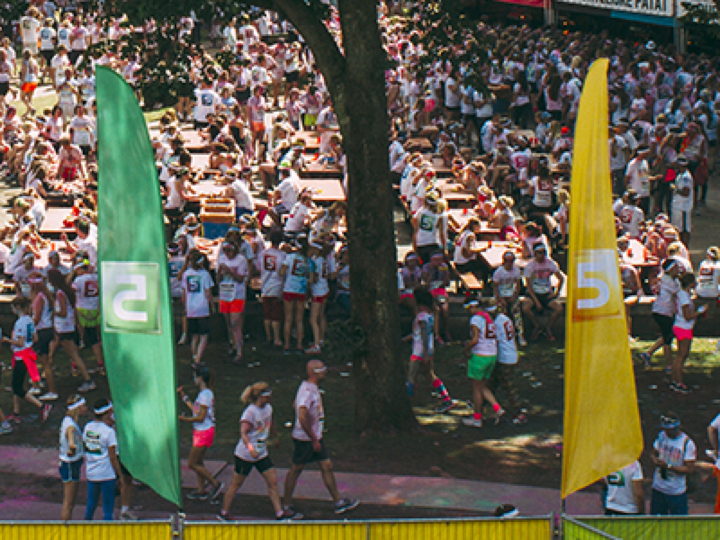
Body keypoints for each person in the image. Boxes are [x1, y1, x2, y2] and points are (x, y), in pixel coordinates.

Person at [283, 360, 359, 517]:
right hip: (306, 439)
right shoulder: (307, 391)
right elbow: (301, 415)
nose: (325, 371)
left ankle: (338, 502)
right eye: (321, 369)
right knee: (296, 470)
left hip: (315, 437)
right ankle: (285, 505)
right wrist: (313, 439)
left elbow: (295, 405)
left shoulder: (311, 388)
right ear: (313, 372)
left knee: (327, 466)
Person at [219, 382, 298, 521]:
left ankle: (279, 513)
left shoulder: (268, 408)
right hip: (245, 455)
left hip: (262, 454)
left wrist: (276, 436)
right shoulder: (250, 413)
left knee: (272, 481)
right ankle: (224, 512)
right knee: (236, 483)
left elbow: (271, 422)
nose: (270, 399)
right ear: (261, 397)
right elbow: (243, 433)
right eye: (268, 396)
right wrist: (251, 449)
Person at [404, 287, 456, 414]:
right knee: (429, 375)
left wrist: (425, 353)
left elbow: (424, 334)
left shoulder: (421, 317)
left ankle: (406, 403)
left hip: (419, 352)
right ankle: (446, 398)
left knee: (411, 376)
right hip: (428, 351)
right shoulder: (430, 316)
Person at [178, 366, 224, 502]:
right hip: (201, 431)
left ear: (200, 378)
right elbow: (196, 410)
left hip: (203, 432)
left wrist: (183, 419)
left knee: (192, 463)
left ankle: (215, 484)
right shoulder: (205, 394)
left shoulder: (205, 395)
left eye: (195, 376)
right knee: (198, 461)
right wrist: (184, 397)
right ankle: (201, 489)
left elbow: (200, 417)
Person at [4, 296, 52, 424]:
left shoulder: (20, 323)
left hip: (21, 356)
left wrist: (6, 340)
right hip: (28, 354)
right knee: (17, 384)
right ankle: (16, 412)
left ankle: (41, 406)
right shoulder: (29, 320)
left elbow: (19, 342)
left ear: (18, 308)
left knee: (17, 387)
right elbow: (35, 338)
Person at [48, 269, 96, 393]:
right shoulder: (67, 290)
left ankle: (88, 380)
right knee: (55, 349)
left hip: (64, 328)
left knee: (74, 355)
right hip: (68, 326)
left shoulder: (59, 293)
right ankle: (45, 373)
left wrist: (53, 312)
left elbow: (63, 312)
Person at [462, 298, 504, 428]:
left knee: (476, 388)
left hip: (480, 355)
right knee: (483, 386)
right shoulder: (489, 317)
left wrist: (466, 349)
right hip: (492, 354)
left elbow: (475, 339)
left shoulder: (476, 319)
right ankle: (497, 408)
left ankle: (477, 418)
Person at [83, 398, 122, 521]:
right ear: (107, 413)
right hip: (107, 474)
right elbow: (113, 457)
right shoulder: (109, 432)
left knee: (91, 504)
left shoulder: (88, 427)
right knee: (108, 507)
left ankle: (84, 529)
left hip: (91, 473)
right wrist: (119, 475)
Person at [650, 412, 696, 516]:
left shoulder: (687, 443)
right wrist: (655, 460)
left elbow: (689, 469)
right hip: (658, 488)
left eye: (670, 430)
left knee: (679, 523)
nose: (667, 432)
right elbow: (653, 453)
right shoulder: (661, 436)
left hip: (676, 491)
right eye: (666, 429)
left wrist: (669, 467)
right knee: (656, 520)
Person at [640, 259, 682, 369]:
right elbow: (677, 291)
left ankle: (648, 353)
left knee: (667, 334)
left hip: (665, 310)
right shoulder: (667, 280)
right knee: (667, 338)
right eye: (676, 268)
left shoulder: (669, 279)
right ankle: (669, 365)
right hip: (662, 310)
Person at [521, 243, 565, 341]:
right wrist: (536, 301)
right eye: (539, 253)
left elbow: (561, 278)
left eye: (543, 253)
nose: (542, 255)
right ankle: (537, 326)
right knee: (525, 308)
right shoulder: (530, 266)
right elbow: (528, 286)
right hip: (534, 293)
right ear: (535, 253)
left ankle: (548, 328)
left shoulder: (550, 263)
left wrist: (556, 293)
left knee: (559, 309)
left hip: (546, 293)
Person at [670, 273, 705, 394]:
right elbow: (687, 316)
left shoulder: (681, 294)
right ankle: (678, 382)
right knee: (681, 356)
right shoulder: (684, 297)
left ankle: (675, 380)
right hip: (683, 327)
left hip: (679, 325)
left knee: (680, 355)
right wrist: (700, 311)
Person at [217, 241, 248, 364]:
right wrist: (220, 272)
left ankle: (239, 352)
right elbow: (218, 279)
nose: (227, 253)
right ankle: (233, 345)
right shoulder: (221, 259)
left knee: (235, 324)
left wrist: (229, 271)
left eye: (229, 250)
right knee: (228, 323)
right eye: (225, 250)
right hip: (225, 294)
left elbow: (241, 278)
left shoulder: (241, 260)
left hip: (237, 294)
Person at [182, 250, 214, 365]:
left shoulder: (186, 274)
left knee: (194, 336)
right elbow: (208, 292)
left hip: (191, 308)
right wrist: (212, 306)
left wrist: (185, 306)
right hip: (202, 308)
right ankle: (198, 359)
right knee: (204, 336)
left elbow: (184, 292)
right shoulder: (205, 274)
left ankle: (194, 355)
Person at [279, 235, 310, 354]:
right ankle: (299, 346)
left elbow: (282, 272)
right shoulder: (307, 260)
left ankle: (286, 345)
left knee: (288, 319)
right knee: (299, 320)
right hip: (301, 290)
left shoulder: (289, 257)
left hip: (289, 289)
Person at [60, 395, 87, 520]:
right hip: (71, 464)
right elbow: (71, 441)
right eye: (84, 406)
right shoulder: (70, 426)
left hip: (71, 464)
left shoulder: (68, 421)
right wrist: (72, 448)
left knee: (70, 502)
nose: (86, 409)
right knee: (69, 502)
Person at [492, 250, 525, 347]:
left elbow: (518, 286)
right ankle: (500, 336)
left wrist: (514, 296)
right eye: (507, 261)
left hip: (511, 295)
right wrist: (501, 299)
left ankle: (520, 335)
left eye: (511, 261)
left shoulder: (516, 271)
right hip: (501, 295)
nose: (509, 263)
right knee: (501, 313)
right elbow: (495, 289)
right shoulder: (498, 272)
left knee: (517, 314)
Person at [259, 230, 286, 347]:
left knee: (267, 313)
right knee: (276, 314)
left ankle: (268, 336)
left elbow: (258, 267)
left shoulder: (263, 254)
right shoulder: (282, 256)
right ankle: (276, 338)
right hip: (277, 286)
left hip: (265, 285)